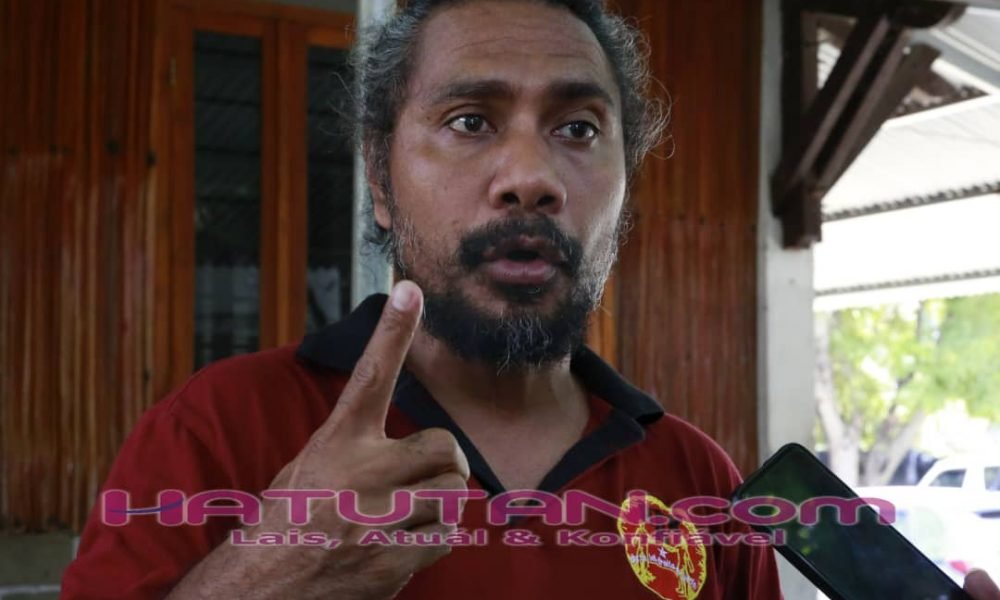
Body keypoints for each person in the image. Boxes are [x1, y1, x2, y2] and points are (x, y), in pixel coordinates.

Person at [60, 1, 1000, 599]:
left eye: (578, 128)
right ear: (380, 181)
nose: (532, 177)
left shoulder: (697, 480)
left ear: (625, 185)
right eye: (470, 120)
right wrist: (262, 574)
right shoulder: (217, 432)